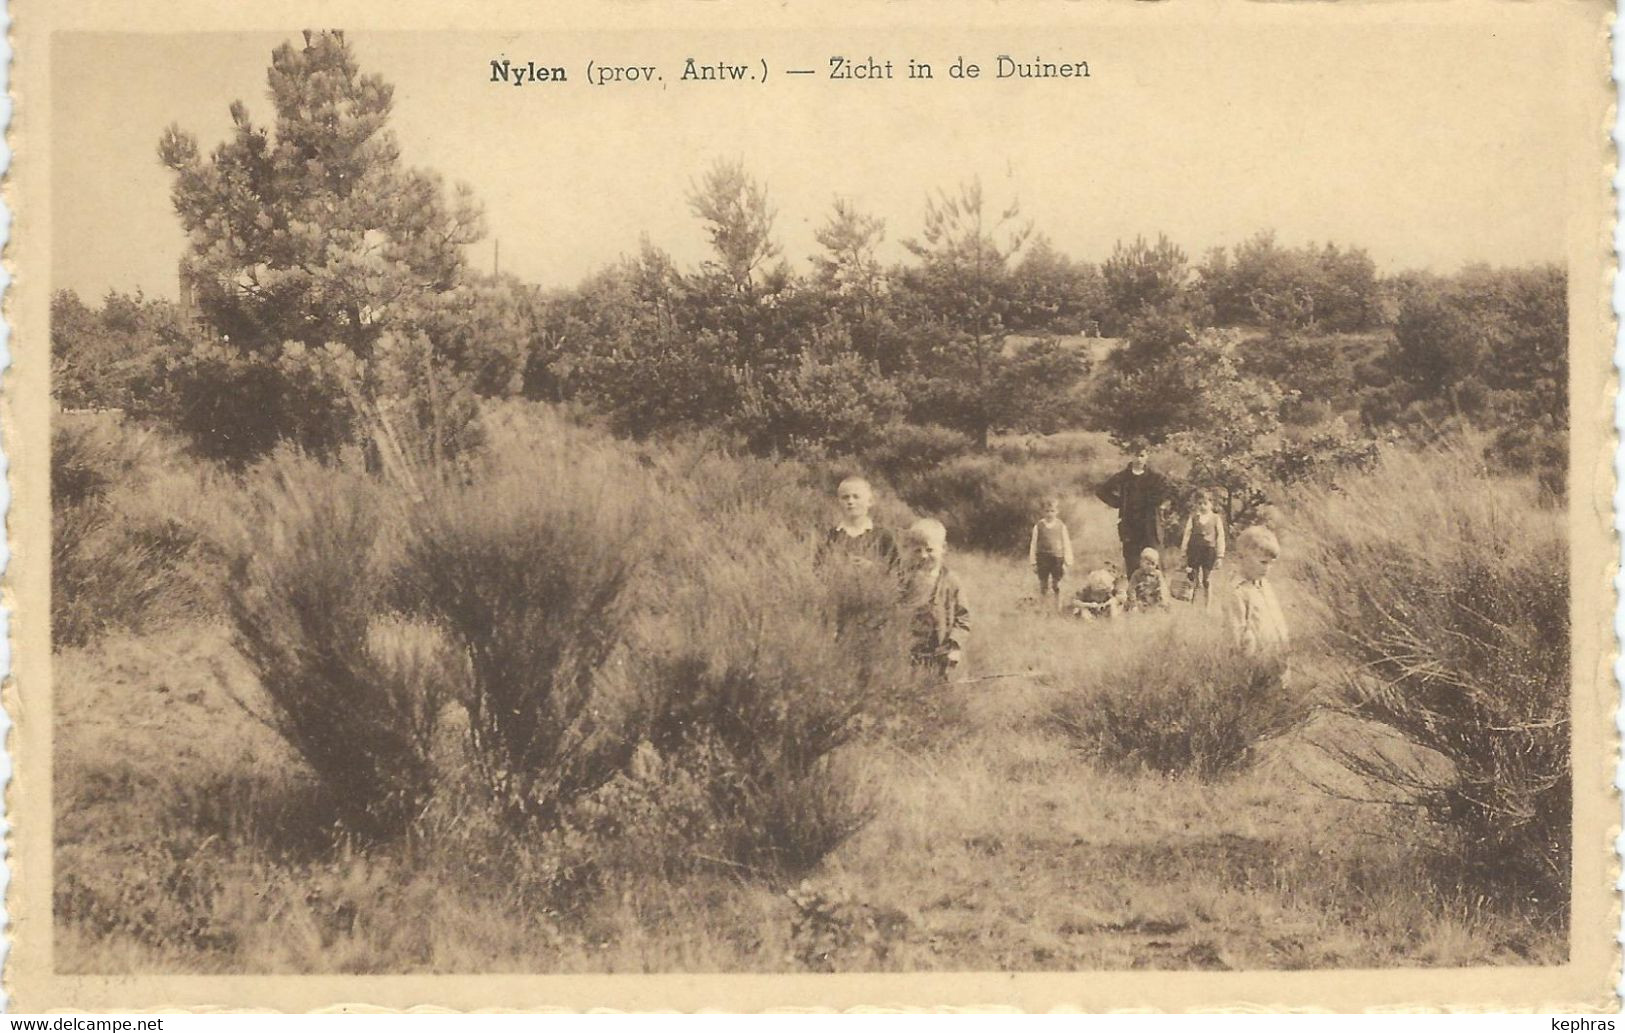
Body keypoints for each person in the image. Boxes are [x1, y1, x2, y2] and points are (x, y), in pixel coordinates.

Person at [901, 518, 970, 679]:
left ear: (943, 548)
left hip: (942, 650)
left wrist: (955, 645)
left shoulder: (951, 580)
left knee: (941, 688)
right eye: (917, 550)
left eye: (930, 550)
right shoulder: (906, 578)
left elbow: (963, 618)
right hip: (912, 650)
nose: (924, 556)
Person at [1095, 446, 1170, 576]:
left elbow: (1167, 490)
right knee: (1132, 562)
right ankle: (1133, 593)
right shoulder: (1123, 476)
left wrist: (1156, 503)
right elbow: (1102, 491)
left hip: (1150, 525)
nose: (1138, 459)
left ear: (1147, 456)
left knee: (1153, 560)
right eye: (1135, 455)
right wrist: (1117, 502)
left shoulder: (1155, 477)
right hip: (1130, 524)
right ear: (1130, 455)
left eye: (1142, 455)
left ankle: (1156, 592)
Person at [1225, 525, 1290, 659]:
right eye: (1263, 562)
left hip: (1277, 656)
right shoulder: (1238, 591)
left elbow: (1276, 619)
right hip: (1255, 662)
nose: (1268, 568)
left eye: (1271, 563)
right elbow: (1235, 633)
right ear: (1241, 557)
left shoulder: (1264, 585)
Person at [816, 476, 900, 571]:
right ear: (839, 502)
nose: (850, 501)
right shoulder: (830, 536)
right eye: (845, 497)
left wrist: (874, 568)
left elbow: (898, 573)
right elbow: (817, 571)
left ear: (870, 501)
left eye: (856, 497)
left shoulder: (883, 536)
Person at [1179, 490, 1227, 609]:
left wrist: (1220, 555)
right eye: (1199, 503)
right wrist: (1183, 552)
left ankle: (1207, 606)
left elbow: (1220, 536)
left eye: (1205, 503)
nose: (1202, 506)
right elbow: (1187, 535)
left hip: (1209, 551)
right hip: (1194, 551)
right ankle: (1193, 604)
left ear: (1211, 504)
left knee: (1207, 579)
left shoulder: (1216, 518)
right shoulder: (1194, 518)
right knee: (1193, 578)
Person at [1028, 497, 1074, 613]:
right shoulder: (1038, 526)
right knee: (1043, 584)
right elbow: (1033, 544)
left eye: (1052, 511)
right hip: (1042, 558)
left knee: (1057, 584)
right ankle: (1042, 608)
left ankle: (1057, 608)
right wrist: (1033, 562)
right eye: (1047, 511)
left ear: (1057, 512)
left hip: (1057, 558)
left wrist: (1068, 561)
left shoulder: (1061, 526)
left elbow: (1066, 543)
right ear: (1043, 512)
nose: (1049, 514)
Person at [1127, 546, 1170, 611]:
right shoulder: (1137, 574)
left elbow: (1163, 587)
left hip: (1153, 598)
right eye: (1147, 563)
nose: (1150, 566)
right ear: (1141, 563)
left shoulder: (1157, 574)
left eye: (1153, 564)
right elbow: (1131, 589)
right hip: (1141, 598)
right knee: (1136, 607)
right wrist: (1133, 602)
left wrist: (1164, 599)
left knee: (1165, 606)